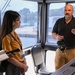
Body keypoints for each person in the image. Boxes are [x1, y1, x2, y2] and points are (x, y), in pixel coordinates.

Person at [1, 10, 28, 75]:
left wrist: (24, 60)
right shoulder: (6, 38)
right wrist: (23, 66)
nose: (20, 22)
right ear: (12, 22)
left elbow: (20, 50)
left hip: (20, 65)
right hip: (13, 67)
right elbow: (9, 58)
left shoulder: (15, 34)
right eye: (18, 20)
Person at [52, 4, 75, 70]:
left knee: (71, 70)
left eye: (69, 10)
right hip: (60, 50)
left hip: (72, 51)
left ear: (72, 11)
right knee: (58, 70)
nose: (67, 12)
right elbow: (53, 33)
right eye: (65, 10)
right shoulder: (59, 21)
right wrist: (56, 37)